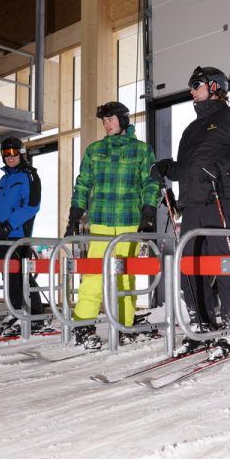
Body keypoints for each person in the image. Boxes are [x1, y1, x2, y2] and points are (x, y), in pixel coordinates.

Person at [151, 66, 230, 357]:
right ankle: (200, 326)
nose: (191, 90)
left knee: (225, 267)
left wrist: (223, 167)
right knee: (190, 267)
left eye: (196, 84)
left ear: (214, 87)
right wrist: (168, 168)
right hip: (192, 207)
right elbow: (187, 169)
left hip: (220, 203)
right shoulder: (191, 129)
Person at [65, 102, 160, 349]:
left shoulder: (141, 150)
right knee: (95, 274)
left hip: (129, 221)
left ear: (123, 120)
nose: (107, 124)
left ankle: (123, 326)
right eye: (104, 121)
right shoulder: (95, 150)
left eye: (111, 119)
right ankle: (82, 326)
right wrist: (74, 217)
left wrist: (149, 212)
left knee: (125, 278)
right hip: (102, 222)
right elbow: (83, 184)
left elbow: (150, 183)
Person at [0, 136, 43, 335]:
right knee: (8, 275)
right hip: (0, 235)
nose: (10, 156)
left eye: (14, 152)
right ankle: (15, 311)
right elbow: (2, 207)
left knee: (20, 275)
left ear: (21, 152)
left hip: (17, 234)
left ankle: (35, 316)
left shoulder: (29, 175)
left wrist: (10, 224)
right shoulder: (4, 178)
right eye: (6, 153)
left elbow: (32, 207)